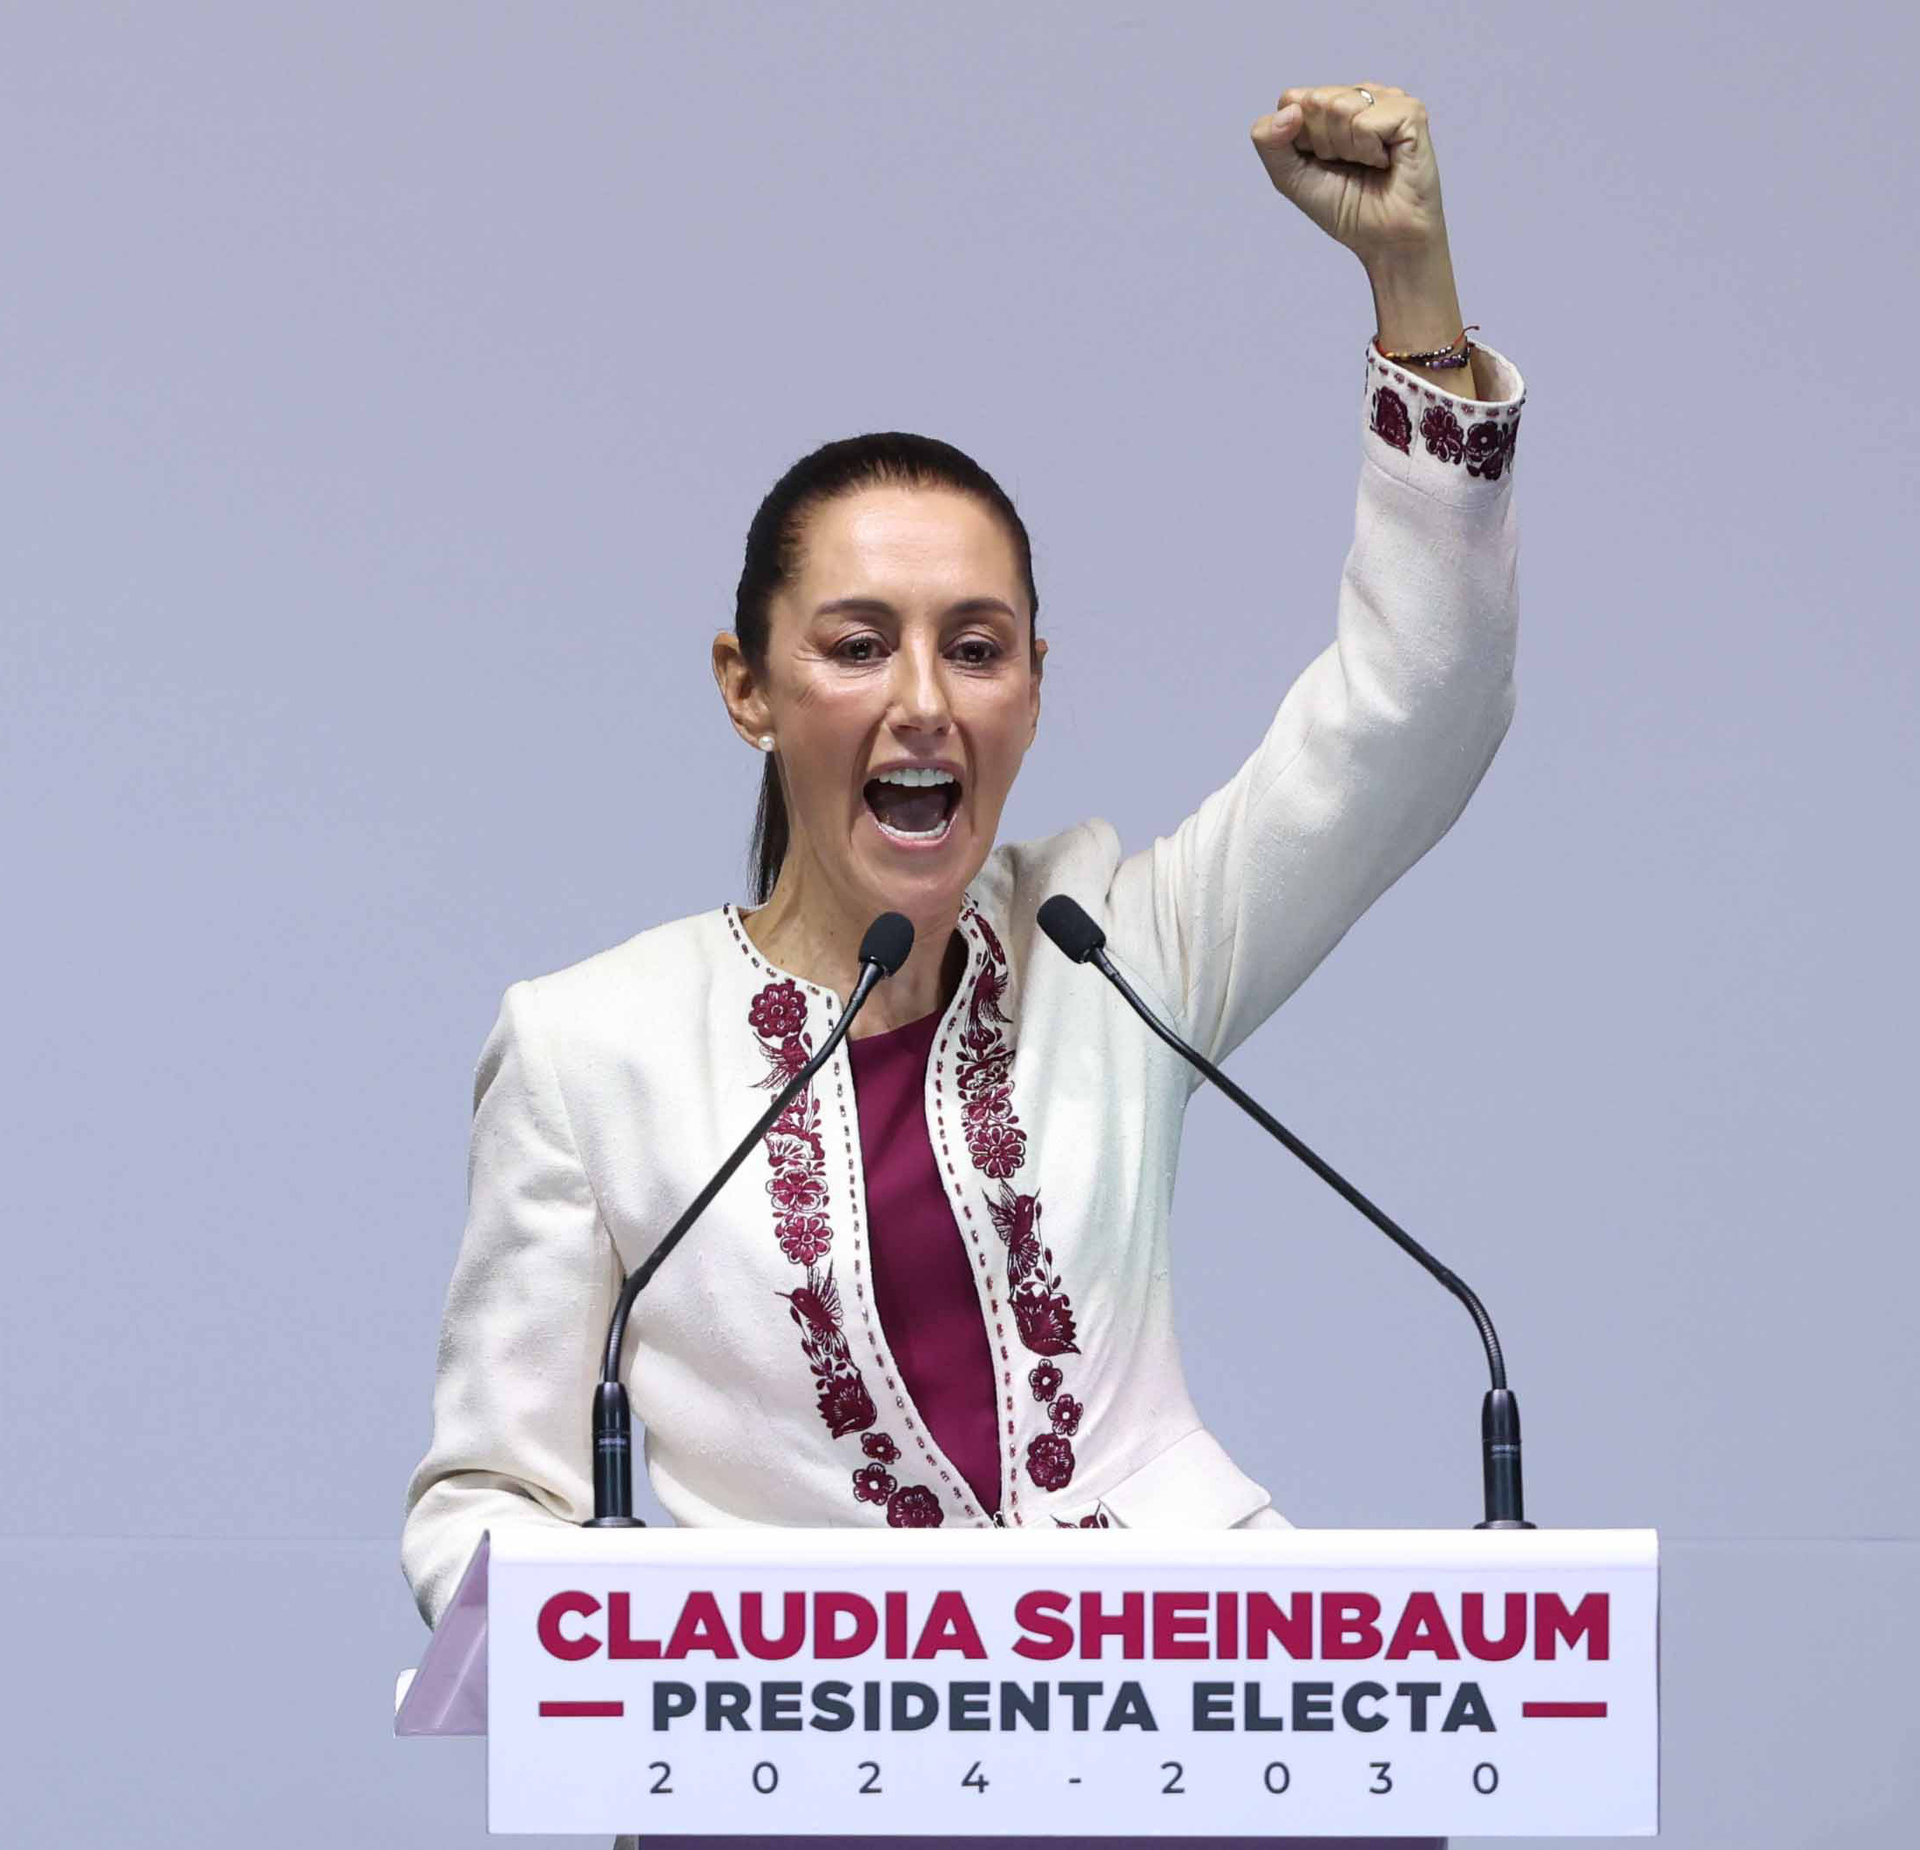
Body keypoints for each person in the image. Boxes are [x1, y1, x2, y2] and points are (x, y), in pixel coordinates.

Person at [401, 82, 1517, 1850]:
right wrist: (640, 1681)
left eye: (975, 647)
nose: (923, 698)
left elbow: (1415, 716)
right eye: (858, 645)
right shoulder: (587, 1048)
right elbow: (488, 1490)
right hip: (807, 1795)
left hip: (1204, 1757)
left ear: (1032, 689)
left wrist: (1416, 304)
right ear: (747, 688)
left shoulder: (1117, 951)